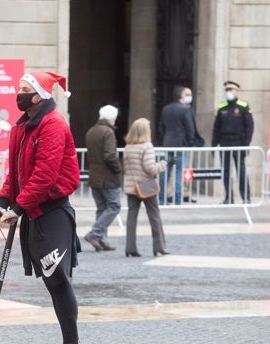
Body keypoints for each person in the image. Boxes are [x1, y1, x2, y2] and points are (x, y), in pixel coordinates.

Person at [0, 71, 82, 344]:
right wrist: (3, 201)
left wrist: (18, 207)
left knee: (58, 278)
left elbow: (45, 175)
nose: (19, 92)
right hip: (32, 212)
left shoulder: (52, 124)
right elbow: (15, 173)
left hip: (52, 213)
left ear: (39, 94)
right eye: (19, 87)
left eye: (24, 88)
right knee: (51, 281)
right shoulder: (22, 126)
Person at [123, 118, 169, 257]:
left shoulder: (128, 147)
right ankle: (159, 246)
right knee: (154, 216)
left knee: (131, 218)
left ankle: (130, 248)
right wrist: (164, 164)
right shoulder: (147, 146)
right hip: (146, 185)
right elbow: (150, 168)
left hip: (132, 186)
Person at [83, 104, 122, 252]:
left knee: (102, 208)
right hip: (108, 177)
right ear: (112, 118)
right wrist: (119, 169)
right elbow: (110, 156)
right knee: (114, 206)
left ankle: (102, 240)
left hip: (95, 176)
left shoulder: (91, 131)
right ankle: (95, 234)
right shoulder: (108, 132)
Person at [212, 81, 254, 204]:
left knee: (240, 171)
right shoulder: (222, 107)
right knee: (225, 171)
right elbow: (216, 127)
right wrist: (214, 144)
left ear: (236, 92)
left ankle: (246, 197)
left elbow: (249, 126)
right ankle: (228, 197)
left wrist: (246, 144)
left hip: (238, 142)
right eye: (227, 90)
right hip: (225, 142)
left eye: (231, 90)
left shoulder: (243, 106)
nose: (229, 92)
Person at [158, 85, 195, 205]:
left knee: (166, 171)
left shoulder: (166, 109)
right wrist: (190, 142)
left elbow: (161, 127)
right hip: (181, 144)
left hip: (168, 143)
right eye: (187, 95)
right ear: (181, 96)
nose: (189, 97)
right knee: (179, 172)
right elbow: (190, 129)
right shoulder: (185, 110)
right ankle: (178, 200)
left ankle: (162, 198)